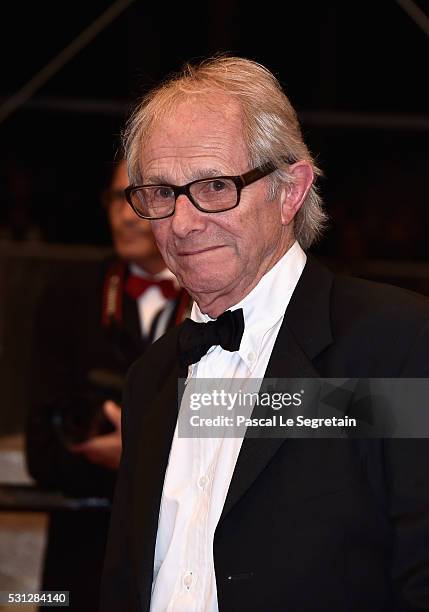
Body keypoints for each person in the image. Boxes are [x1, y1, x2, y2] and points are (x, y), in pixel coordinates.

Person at [101, 57, 429, 612]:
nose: (182, 223)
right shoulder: (149, 381)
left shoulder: (395, 346)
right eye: (159, 192)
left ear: (291, 190)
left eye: (214, 185)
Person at [26, 159, 190, 612]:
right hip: (82, 565)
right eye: (116, 198)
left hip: (183, 561)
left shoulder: (219, 299)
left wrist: (138, 453)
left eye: (139, 198)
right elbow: (43, 449)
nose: (123, 214)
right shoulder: (69, 295)